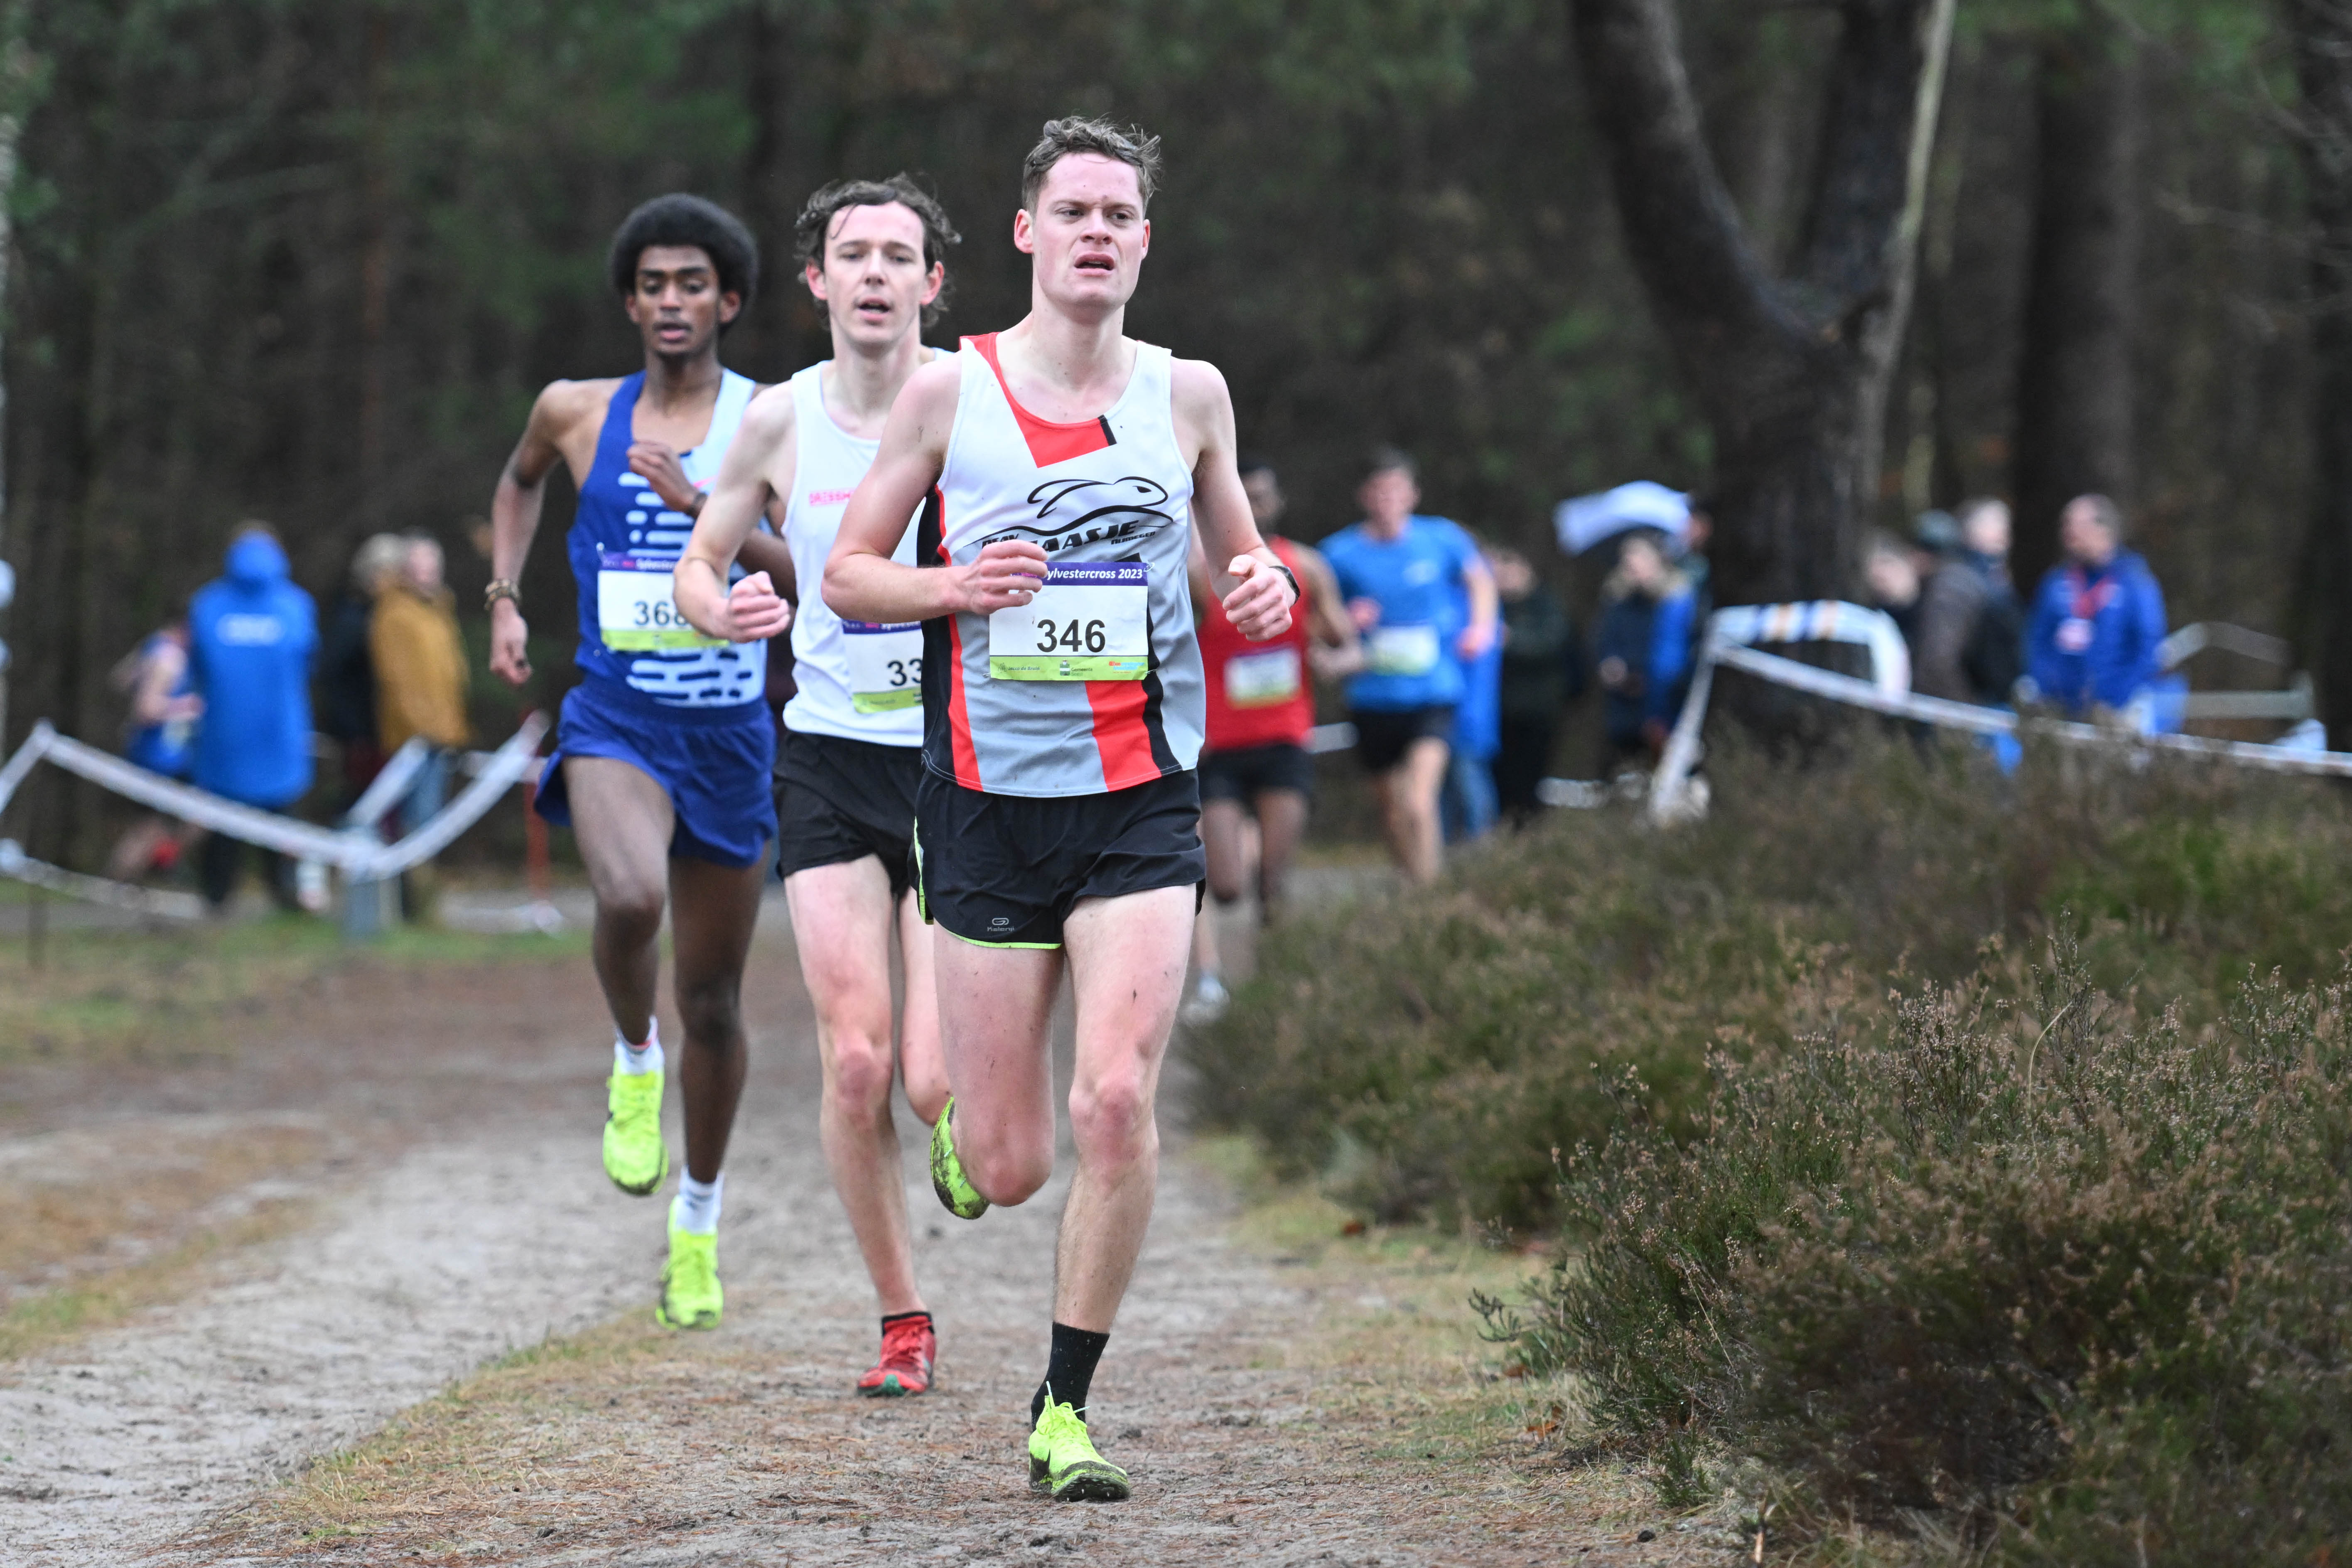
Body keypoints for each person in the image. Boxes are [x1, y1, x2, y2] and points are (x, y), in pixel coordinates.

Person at [822, 116, 1298, 1504]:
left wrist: (1262, 584)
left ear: (1145, 241)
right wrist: (951, 587)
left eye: (1119, 214)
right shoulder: (946, 393)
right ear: (1027, 233)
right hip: (983, 806)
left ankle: (1063, 1406)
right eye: (1073, 211)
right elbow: (847, 573)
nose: (1097, 232)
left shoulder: (1188, 395)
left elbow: (1242, 563)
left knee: (1116, 1098)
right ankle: (968, 1145)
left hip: (1139, 803)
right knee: (1010, 1159)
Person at [673, 174, 960, 1398]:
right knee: (855, 1063)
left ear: (932, 281)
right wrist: (724, 608)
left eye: (899, 255)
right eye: (855, 254)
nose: (876, 274)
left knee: (932, 1080)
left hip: (956, 764)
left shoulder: (979, 400)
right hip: (829, 762)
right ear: (818, 280)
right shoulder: (779, 419)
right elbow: (699, 561)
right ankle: (903, 1320)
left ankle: (970, 1121)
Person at [485, 193, 791, 1333]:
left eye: (692, 284)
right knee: (624, 895)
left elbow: (808, 567)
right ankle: (629, 1052)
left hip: (729, 732)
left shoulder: (772, 418)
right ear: (630, 301)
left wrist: (700, 507)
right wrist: (504, 595)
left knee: (713, 999)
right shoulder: (574, 410)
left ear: (728, 300)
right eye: (653, 284)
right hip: (616, 713)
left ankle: (696, 1224)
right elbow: (518, 482)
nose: (672, 301)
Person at [1183, 457, 1355, 1020]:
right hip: (1220, 747)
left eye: (1260, 496)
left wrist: (1335, 659)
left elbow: (1346, 642)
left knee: (1273, 882)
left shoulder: (1306, 567)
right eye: (1243, 497)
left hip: (1284, 740)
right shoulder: (1198, 574)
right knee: (1225, 884)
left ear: (1276, 503)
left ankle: (1274, 989)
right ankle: (1212, 978)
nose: (1253, 507)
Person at [1319, 449, 1498, 883]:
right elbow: (1319, 616)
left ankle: (1430, 894)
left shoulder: (1442, 539)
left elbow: (1480, 581)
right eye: (1379, 491)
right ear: (1365, 496)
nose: (1388, 500)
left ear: (1413, 495)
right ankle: (1410, 883)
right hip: (1372, 697)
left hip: (1433, 692)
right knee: (1392, 810)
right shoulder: (1339, 553)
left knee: (1419, 801)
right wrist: (1346, 621)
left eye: (1396, 491)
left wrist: (1481, 628)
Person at [187, 524, 319, 911]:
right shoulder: (296, 605)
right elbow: (308, 662)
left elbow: (196, 668)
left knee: (223, 825)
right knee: (282, 825)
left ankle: (216, 898)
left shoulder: (207, 604)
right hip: (281, 736)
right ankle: (286, 897)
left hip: (223, 737)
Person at [371, 531, 472, 922]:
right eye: (418, 566)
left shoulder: (439, 611)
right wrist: (423, 729)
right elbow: (397, 680)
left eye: (432, 566)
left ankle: (423, 903)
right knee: (417, 820)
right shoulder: (394, 614)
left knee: (431, 820)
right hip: (415, 740)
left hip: (442, 734)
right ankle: (417, 907)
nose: (427, 574)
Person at [2024, 493, 2168, 722]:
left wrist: (2119, 698)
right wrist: (2045, 686)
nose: (2068, 533)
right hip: (2058, 708)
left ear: (2104, 530)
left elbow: (2148, 648)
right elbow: (2037, 641)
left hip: (2114, 711)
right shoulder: (2056, 581)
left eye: (2077, 525)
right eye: (2066, 525)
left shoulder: (2135, 583)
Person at [105, 618, 203, 882]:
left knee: (194, 820)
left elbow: (120, 679)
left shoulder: (155, 646)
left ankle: (159, 864)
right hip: (157, 759)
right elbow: (146, 710)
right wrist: (187, 707)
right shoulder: (169, 657)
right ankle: (113, 884)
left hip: (166, 757)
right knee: (148, 830)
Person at [1489, 543, 1579, 825]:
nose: (1505, 579)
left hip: (1538, 710)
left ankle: (1529, 832)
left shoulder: (1546, 605)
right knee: (1502, 778)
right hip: (1500, 710)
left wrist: (1511, 640)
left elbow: (1552, 644)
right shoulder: (1492, 606)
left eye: (1510, 572)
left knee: (1530, 778)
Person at [319, 532, 409, 810]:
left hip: (383, 733)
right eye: (391, 573)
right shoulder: (353, 619)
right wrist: (352, 730)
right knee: (363, 805)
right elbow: (332, 673)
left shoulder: (386, 616)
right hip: (362, 736)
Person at [1593, 530, 1694, 771]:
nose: (1633, 566)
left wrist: (1642, 673)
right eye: (1628, 560)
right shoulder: (1617, 602)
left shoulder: (1678, 604)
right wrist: (1611, 665)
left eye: (1640, 558)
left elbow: (1679, 656)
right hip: (1623, 709)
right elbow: (1602, 643)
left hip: (1666, 707)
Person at [1912, 498, 2022, 707]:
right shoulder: (1957, 582)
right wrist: (1966, 710)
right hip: (1969, 709)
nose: (2005, 533)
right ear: (1970, 531)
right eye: (1995, 524)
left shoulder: (1993, 581)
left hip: (1994, 705)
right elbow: (1938, 660)